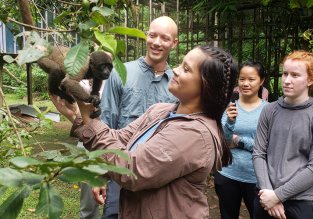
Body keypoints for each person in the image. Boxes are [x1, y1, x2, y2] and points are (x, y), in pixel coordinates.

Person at [50, 45, 238, 218]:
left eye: (186, 69)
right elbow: (120, 140)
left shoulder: (195, 134)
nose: (176, 70)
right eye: (181, 64)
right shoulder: (161, 111)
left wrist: (89, 121)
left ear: (206, 85)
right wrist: (78, 114)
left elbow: (132, 169)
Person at [85, 16, 179, 219]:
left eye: (164, 38)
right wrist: (100, 172)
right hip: (120, 170)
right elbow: (106, 122)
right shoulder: (121, 72)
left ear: (174, 42)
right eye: (152, 35)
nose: (156, 42)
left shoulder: (177, 84)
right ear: (146, 35)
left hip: (160, 175)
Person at [252, 50, 313, 219]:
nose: (287, 80)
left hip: (302, 201)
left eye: (295, 75)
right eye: (285, 73)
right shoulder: (269, 110)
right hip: (265, 195)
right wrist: (268, 193)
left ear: (311, 80)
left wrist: (278, 196)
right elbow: (258, 153)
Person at [214, 61, 267, 219]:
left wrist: (238, 141)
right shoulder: (230, 107)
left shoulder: (268, 110)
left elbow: (265, 147)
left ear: (261, 81)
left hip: (256, 177)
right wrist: (230, 122)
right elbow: (223, 141)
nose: (246, 83)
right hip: (227, 173)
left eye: (251, 79)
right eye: (242, 79)